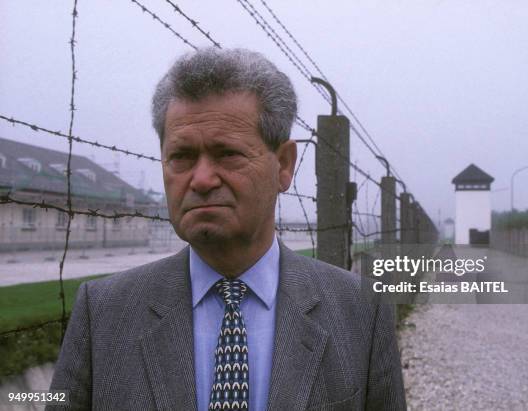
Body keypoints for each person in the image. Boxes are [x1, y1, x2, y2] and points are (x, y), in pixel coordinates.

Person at [48, 47, 406, 411]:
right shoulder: (104, 313)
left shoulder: (361, 310)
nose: (201, 179)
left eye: (227, 154)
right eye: (182, 157)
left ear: (283, 166)